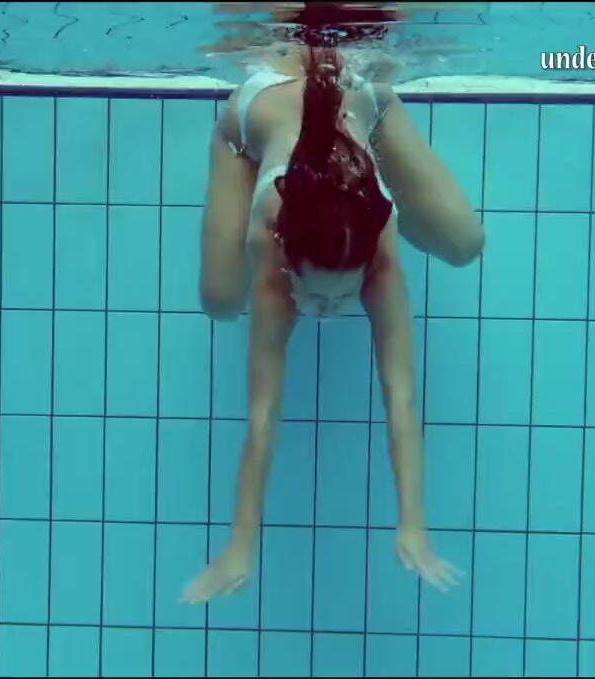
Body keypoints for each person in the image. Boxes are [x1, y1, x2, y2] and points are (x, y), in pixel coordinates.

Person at [182, 36, 485, 604]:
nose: (326, 311)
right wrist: (239, 546)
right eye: (318, 299)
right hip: (254, 123)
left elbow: (401, 397)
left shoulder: (379, 257)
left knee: (466, 242)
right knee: (220, 300)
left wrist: (413, 527)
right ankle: (254, 151)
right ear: (286, 263)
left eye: (341, 296)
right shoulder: (269, 251)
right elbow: (263, 416)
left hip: (360, 111)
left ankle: (375, 152)